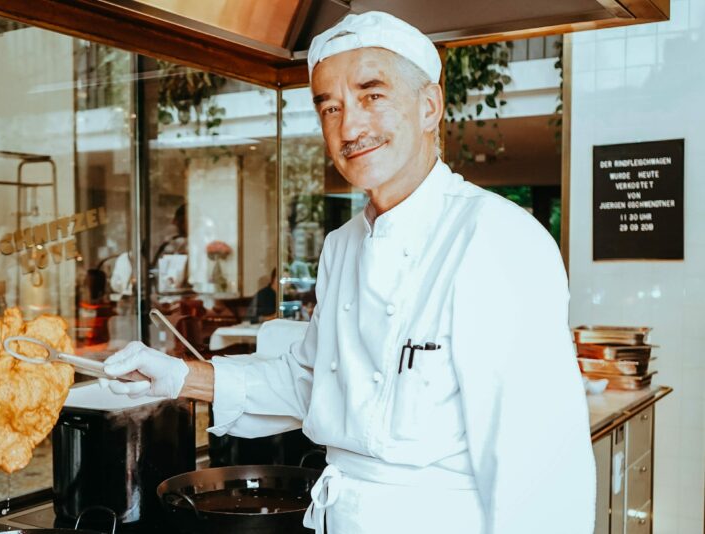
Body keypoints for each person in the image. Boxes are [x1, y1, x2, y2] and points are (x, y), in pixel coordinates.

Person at [101, 11, 594, 534]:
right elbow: (312, 381)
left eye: (372, 95)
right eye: (329, 107)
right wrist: (179, 376)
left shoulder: (497, 238)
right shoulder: (342, 246)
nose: (349, 127)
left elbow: (541, 468)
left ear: (429, 107)